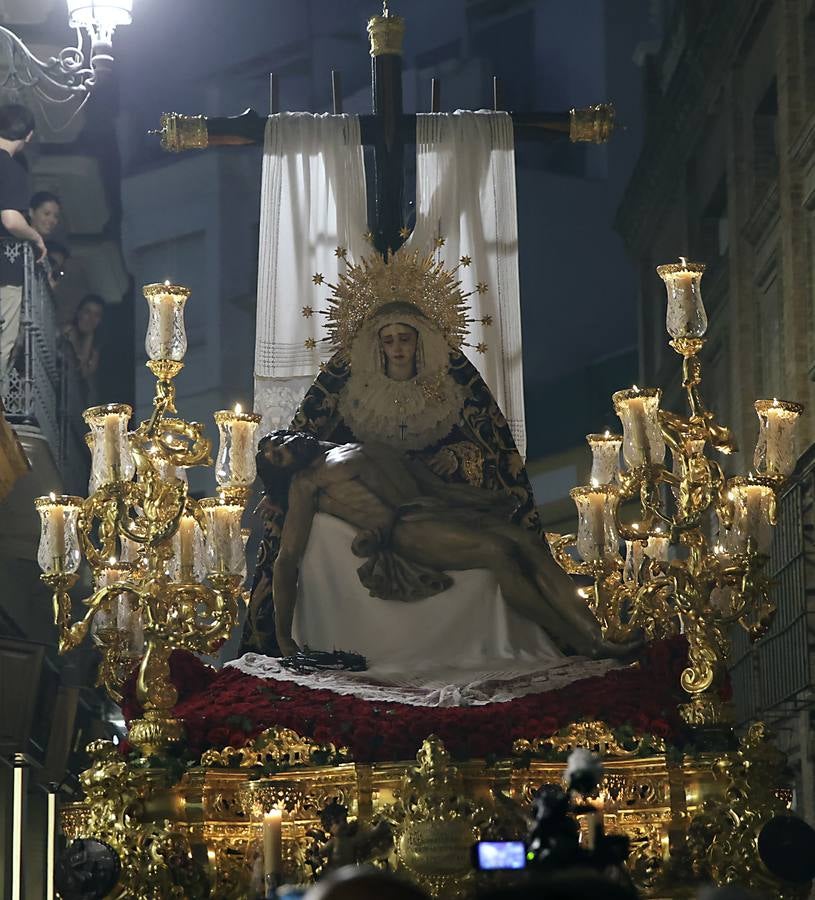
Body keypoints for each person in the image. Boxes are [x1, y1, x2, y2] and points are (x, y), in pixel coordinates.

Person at [244, 300, 543, 655]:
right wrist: (278, 491)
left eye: (405, 338)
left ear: (420, 341)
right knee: (501, 551)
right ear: (377, 346)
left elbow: (487, 445)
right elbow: (313, 447)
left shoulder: (450, 385)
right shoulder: (349, 392)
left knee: (524, 543)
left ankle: (575, 635)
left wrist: (456, 457)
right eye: (389, 340)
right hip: (403, 513)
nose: (398, 348)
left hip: (435, 490)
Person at [258, 429, 637, 662]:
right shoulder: (305, 484)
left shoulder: (348, 447)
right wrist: (282, 635)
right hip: (406, 531)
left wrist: (481, 500)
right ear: (284, 471)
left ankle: (596, 633)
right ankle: (583, 646)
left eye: (276, 442)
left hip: (430, 508)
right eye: (276, 457)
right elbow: (287, 559)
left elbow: (429, 485)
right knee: (500, 554)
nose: (281, 448)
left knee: (526, 542)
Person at [0, 104, 45, 388]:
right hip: (5, 271)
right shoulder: (11, 169)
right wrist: (36, 237)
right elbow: (11, 220)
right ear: (28, 136)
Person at [62, 294, 104, 388]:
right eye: (87, 312)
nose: (91, 319)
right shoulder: (67, 332)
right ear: (79, 313)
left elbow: (84, 374)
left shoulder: (95, 350)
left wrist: (89, 337)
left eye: (97, 315)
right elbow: (74, 366)